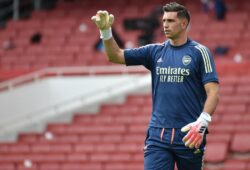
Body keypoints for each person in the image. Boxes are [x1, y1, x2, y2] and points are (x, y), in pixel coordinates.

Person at [91, 2, 219, 170]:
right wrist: (106, 32)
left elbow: (213, 92)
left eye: (171, 21)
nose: (165, 25)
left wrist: (203, 120)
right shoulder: (154, 51)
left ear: (184, 23)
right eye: (164, 20)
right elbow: (115, 56)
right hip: (157, 135)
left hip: (190, 134)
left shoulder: (200, 52)